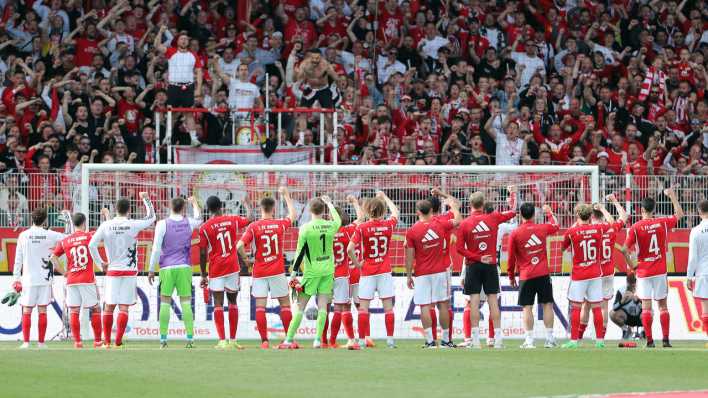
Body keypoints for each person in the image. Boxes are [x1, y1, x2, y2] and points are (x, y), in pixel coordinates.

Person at [88, 192, 156, 348]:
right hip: (129, 272)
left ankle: (107, 341)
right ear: (129, 210)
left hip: (112, 271)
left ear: (116, 209)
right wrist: (145, 198)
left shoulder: (106, 225)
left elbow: (91, 244)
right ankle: (118, 340)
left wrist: (101, 264)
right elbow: (151, 217)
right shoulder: (133, 224)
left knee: (109, 306)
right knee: (124, 307)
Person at [622, 187, 683, 348]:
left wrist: (632, 266)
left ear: (641, 209)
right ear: (654, 209)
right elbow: (679, 215)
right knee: (663, 306)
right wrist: (672, 196)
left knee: (646, 307)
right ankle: (666, 340)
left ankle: (649, 341)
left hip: (643, 272)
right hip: (660, 271)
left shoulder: (636, 227)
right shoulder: (662, 222)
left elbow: (623, 249)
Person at [456, 186, 516, 349]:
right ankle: (497, 340)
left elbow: (459, 249)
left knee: (473, 302)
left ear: (470, 205)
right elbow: (513, 212)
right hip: (490, 265)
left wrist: (476, 257)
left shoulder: (464, 223)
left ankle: (474, 340)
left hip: (473, 266)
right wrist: (513, 195)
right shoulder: (493, 218)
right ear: (483, 204)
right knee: (493, 302)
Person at [237, 187, 296, 349]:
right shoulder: (279, 224)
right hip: (277, 270)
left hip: (260, 271)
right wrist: (286, 196)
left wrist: (246, 260)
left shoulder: (254, 226)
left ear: (261, 208)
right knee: (285, 305)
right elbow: (293, 216)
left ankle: (264, 341)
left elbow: (239, 245)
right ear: (273, 209)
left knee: (260, 307)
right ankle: (289, 340)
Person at [278, 195, 341, 349]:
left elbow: (300, 252)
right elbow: (339, 221)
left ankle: (289, 339)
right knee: (323, 306)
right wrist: (330, 203)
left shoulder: (305, 228)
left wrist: (293, 273)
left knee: (300, 306)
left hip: (312, 272)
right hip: (327, 270)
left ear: (309, 210)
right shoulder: (330, 226)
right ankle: (318, 340)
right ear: (323, 210)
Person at [405, 198, 461, 348]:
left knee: (424, 306)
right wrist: (453, 207)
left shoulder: (412, 231)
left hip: (422, 273)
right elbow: (458, 221)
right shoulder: (440, 223)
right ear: (431, 210)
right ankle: (445, 340)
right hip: (440, 271)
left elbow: (409, 256)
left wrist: (409, 275)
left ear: (417, 213)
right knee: (443, 305)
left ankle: (429, 341)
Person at [148, 196, 202, 349]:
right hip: (184, 267)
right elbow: (199, 218)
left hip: (167, 268)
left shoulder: (162, 224)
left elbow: (156, 248)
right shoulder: (189, 222)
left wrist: (151, 269)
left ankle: (163, 339)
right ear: (183, 208)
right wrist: (194, 203)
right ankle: (190, 339)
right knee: (186, 302)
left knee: (165, 301)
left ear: (170, 207)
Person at [347, 191, 400, 349]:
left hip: (368, 272)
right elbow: (396, 212)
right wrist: (385, 198)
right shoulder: (388, 225)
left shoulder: (362, 228)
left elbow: (350, 249)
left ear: (367, 211)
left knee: (363, 308)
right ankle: (390, 340)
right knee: (388, 308)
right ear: (383, 211)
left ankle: (362, 341)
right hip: (384, 271)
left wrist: (357, 264)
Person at [198, 196, 250, 349]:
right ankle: (233, 340)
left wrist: (203, 275)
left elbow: (202, 253)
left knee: (218, 304)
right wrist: (246, 204)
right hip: (233, 267)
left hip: (217, 269)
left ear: (208, 209)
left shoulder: (205, 228)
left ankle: (222, 341)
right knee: (233, 302)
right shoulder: (232, 219)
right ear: (221, 206)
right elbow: (250, 219)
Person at [12, 208, 69, 349]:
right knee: (42, 310)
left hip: (28, 280)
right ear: (44, 220)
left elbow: (18, 259)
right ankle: (41, 343)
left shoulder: (23, 235)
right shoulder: (50, 235)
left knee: (27, 310)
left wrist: (16, 279)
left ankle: (25, 342)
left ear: (32, 219)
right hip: (45, 279)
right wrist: (68, 223)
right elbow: (67, 238)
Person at [561, 203, 615, 349]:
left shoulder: (571, 232)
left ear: (577, 215)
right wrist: (603, 209)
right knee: (597, 307)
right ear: (591, 216)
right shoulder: (597, 228)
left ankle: (574, 341)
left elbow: (562, 248)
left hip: (579, 275)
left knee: (577, 307)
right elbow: (611, 222)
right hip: (595, 273)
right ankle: (599, 340)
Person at [507, 203, 559, 349]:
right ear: (534, 215)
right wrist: (549, 212)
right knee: (547, 304)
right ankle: (550, 339)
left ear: (521, 215)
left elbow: (510, 258)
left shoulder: (515, 233)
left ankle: (529, 341)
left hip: (526, 275)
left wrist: (511, 277)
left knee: (527, 307)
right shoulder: (542, 228)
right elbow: (556, 226)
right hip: (543, 273)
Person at [578, 194, 628, 341]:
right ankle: (601, 338)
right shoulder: (610, 228)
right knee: (604, 305)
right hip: (607, 271)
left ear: (591, 215)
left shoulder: (590, 229)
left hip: (593, 271)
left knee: (586, 304)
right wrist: (613, 201)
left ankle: (579, 336)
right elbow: (623, 216)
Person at [51, 211, 102, 349]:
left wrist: (64, 272)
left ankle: (78, 342)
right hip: (86, 279)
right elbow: (104, 234)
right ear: (84, 223)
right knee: (96, 309)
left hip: (72, 279)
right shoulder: (89, 236)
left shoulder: (65, 240)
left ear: (73, 224)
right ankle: (97, 341)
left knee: (74, 311)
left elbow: (53, 258)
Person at [153, 27, 203, 146]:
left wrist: (199, 88)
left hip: (188, 86)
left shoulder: (193, 55)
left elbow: (199, 71)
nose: (184, 41)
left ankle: (193, 138)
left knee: (189, 113)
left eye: (186, 39)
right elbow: (156, 45)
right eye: (182, 39)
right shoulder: (171, 51)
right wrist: (160, 31)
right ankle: (167, 137)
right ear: (178, 41)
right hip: (174, 87)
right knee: (172, 113)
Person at [328, 195, 364, 349]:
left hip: (327, 273)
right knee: (345, 307)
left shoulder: (326, 232)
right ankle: (353, 339)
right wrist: (355, 202)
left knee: (328, 307)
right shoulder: (348, 231)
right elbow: (361, 218)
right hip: (344, 273)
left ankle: (328, 341)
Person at [686, 199, 708, 348]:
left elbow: (693, 257)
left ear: (699, 212)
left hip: (703, 272)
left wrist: (689, 276)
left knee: (705, 308)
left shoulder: (695, 231)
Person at [609, 273, 643, 341]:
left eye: (633, 283)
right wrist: (622, 301)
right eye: (630, 283)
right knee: (612, 313)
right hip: (627, 317)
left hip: (639, 317)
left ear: (636, 282)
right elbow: (614, 308)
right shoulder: (621, 290)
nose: (632, 285)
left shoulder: (641, 289)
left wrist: (638, 301)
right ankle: (626, 330)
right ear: (627, 282)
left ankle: (643, 332)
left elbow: (647, 307)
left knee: (649, 313)